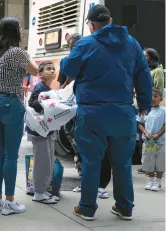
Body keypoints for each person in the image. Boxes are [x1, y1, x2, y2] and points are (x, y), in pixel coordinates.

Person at [60, 5, 152, 221]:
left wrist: (69, 57)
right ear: (110, 20)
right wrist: (145, 103)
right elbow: (144, 75)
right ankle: (125, 207)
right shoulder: (132, 44)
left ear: (91, 25)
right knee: (122, 163)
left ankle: (87, 208)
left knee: (92, 162)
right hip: (123, 113)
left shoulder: (85, 44)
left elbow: (69, 68)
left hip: (92, 113)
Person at [0, 17, 38, 215]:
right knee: (11, 155)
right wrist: (27, 54)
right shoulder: (16, 52)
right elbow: (34, 70)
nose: (22, 31)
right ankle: (9, 202)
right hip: (11, 104)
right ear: (13, 31)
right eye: (19, 27)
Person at [64, 33, 111, 199]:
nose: (73, 51)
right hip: (79, 111)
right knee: (81, 150)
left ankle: (101, 185)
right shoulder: (76, 60)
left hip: (96, 109)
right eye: (70, 48)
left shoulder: (94, 57)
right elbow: (65, 79)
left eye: (74, 47)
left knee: (101, 149)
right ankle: (87, 182)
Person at [25, 61, 59, 204]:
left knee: (48, 161)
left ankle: (44, 190)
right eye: (48, 69)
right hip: (40, 132)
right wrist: (47, 109)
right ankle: (39, 192)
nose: (52, 71)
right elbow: (32, 103)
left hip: (46, 131)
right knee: (42, 162)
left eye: (53, 69)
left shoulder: (46, 88)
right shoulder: (40, 87)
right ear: (40, 74)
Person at [138, 88, 165, 191]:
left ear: (161, 98)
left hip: (160, 142)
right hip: (149, 142)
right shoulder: (145, 110)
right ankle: (150, 180)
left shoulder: (163, 111)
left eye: (155, 96)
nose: (153, 98)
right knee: (148, 162)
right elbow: (140, 123)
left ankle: (157, 182)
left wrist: (159, 134)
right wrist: (145, 132)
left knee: (160, 162)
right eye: (151, 96)